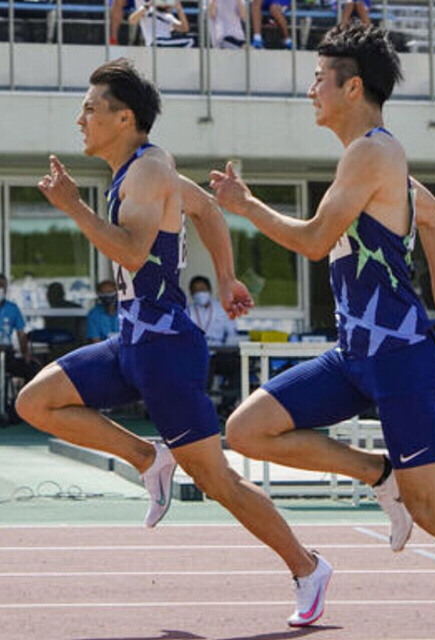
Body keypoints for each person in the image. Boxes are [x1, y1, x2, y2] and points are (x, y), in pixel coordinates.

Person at [211, 22, 435, 639]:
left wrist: (246, 207)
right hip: (356, 354)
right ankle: (379, 475)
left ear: (352, 88)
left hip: (400, 355)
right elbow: (433, 217)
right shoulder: (371, 159)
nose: (309, 91)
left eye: (319, 80)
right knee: (246, 429)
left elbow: (316, 241)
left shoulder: (373, 152)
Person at [16, 58, 333, 627]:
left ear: (124, 118)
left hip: (164, 349)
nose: (80, 119)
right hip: (131, 340)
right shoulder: (144, 169)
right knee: (35, 402)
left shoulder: (147, 168)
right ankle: (147, 456)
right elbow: (207, 207)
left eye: (90, 109)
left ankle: (307, 566)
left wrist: (73, 209)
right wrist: (230, 274)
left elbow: (133, 252)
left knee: (216, 480)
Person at [0, 274, 41, 416]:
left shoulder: (12, 308)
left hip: (7, 354)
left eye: (2, 286)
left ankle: (24, 409)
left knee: (33, 368)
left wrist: (25, 354)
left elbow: (21, 334)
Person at [188, 274, 239, 348]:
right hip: (195, 349)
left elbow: (232, 333)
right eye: (196, 291)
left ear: (209, 290)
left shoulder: (222, 309)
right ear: (191, 294)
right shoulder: (188, 311)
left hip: (219, 350)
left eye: (202, 289)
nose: (200, 293)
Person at [128, 0, 194, 47]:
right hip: (155, 41)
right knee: (190, 41)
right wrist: (150, 3)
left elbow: (184, 28)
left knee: (191, 40)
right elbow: (132, 20)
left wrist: (179, 8)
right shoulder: (147, 10)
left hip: (166, 42)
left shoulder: (168, 17)